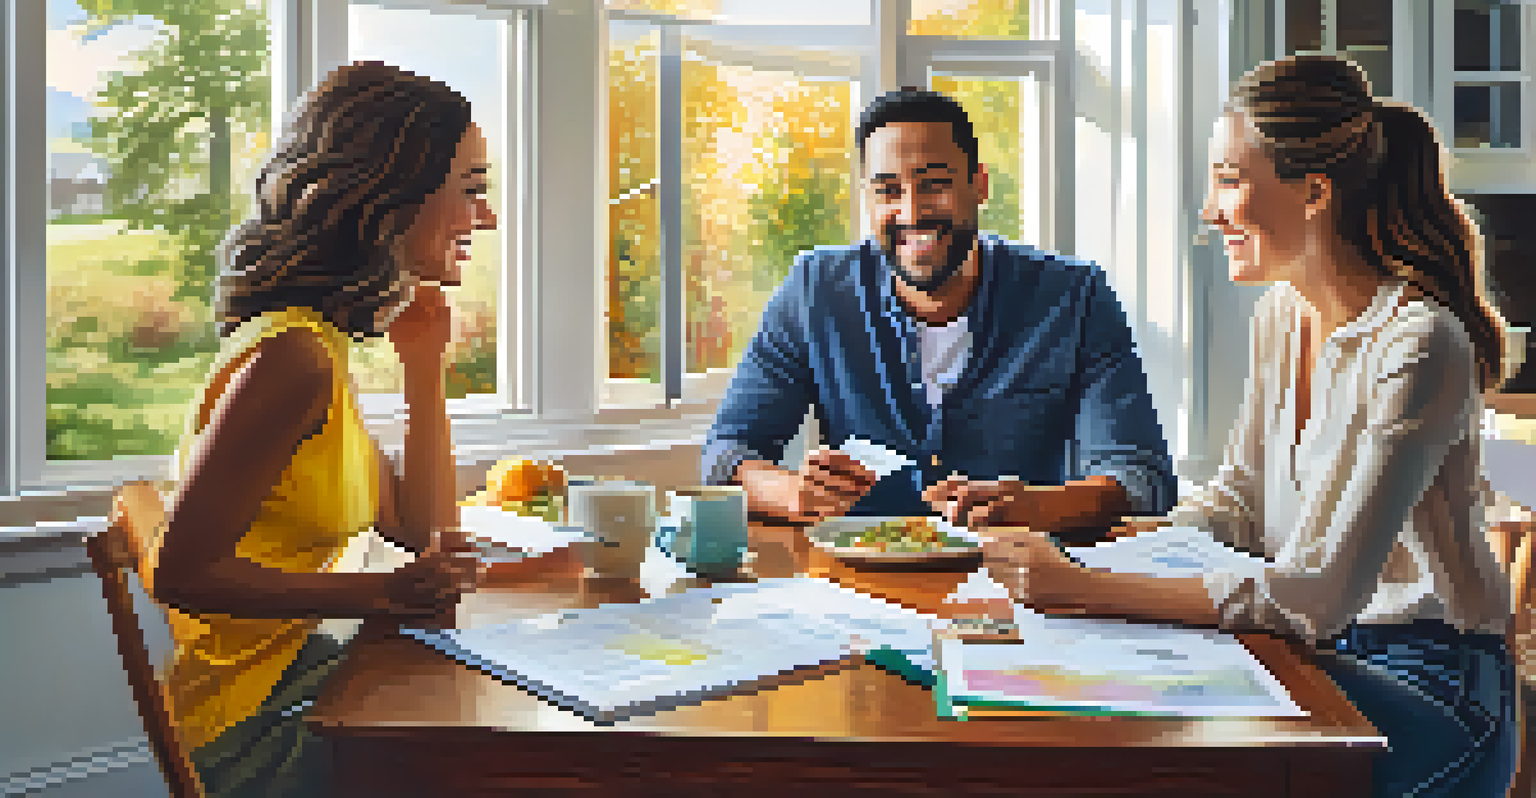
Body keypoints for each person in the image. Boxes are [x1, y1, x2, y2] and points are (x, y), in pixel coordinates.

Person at [976, 55, 1518, 798]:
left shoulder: (1418, 344)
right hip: (1317, 652)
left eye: (1229, 179)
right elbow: (1236, 505)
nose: (1209, 209)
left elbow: (1316, 594)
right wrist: (1083, 531)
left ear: (1314, 192)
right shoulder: (1282, 317)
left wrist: (1081, 589)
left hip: (1435, 686)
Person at [145, 61, 494, 797]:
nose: (485, 218)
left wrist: (424, 370)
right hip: (252, 730)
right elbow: (179, 573)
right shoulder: (292, 360)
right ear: (393, 195)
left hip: (298, 675)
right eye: (471, 190)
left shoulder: (323, 348)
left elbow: (421, 530)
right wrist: (381, 598)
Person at [701, 88, 1176, 535]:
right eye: (888, 191)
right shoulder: (813, 290)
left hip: (1022, 588)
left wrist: (1037, 506)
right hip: (855, 586)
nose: (912, 213)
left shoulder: (1075, 297)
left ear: (979, 185)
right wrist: (793, 492)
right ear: (868, 199)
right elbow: (726, 455)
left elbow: (1141, 477)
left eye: (934, 185)